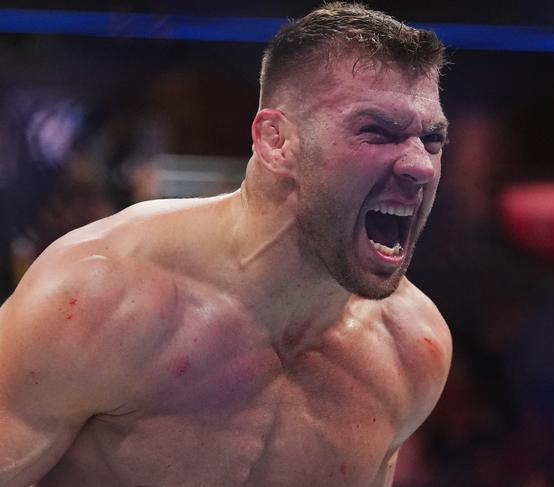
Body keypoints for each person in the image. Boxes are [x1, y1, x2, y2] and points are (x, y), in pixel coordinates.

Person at [0, 3, 452, 486]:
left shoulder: (411, 347)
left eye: (431, 138)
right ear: (277, 141)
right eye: (378, 132)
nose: (420, 166)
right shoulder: (101, 293)